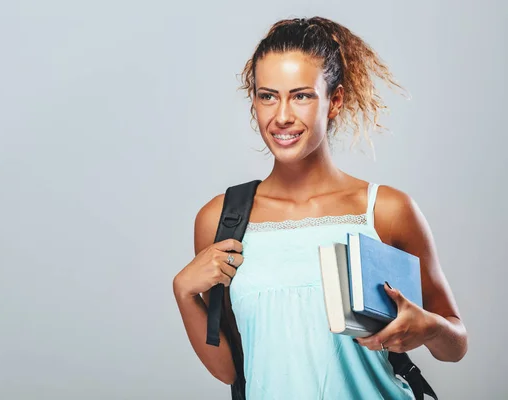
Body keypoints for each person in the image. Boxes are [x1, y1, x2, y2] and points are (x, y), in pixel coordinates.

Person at [172, 16, 468, 399]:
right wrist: (184, 293)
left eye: (301, 95)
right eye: (267, 96)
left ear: (335, 100)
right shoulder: (221, 219)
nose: (281, 116)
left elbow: (455, 345)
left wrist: (428, 328)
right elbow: (230, 369)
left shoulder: (385, 210)